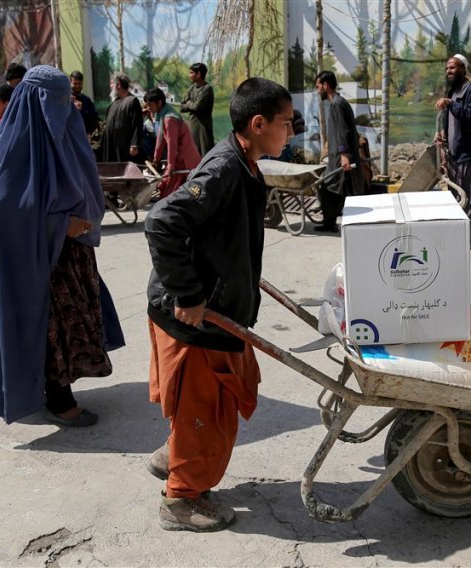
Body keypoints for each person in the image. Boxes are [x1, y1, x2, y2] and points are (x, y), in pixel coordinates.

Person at [143, 77, 294, 532]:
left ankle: (175, 454)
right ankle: (180, 500)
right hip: (194, 317)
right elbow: (162, 222)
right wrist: (188, 293)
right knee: (206, 409)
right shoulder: (225, 168)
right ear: (258, 122)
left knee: (210, 404)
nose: (292, 132)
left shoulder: (248, 164)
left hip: (220, 309)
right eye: (286, 124)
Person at [0, 65, 125, 426]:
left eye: (67, 98)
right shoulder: (15, 143)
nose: (62, 107)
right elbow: (6, 203)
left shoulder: (65, 132)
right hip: (39, 260)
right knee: (50, 326)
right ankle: (60, 400)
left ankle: (53, 389)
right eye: (54, 99)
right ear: (34, 102)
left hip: (72, 254)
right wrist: (61, 224)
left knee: (70, 323)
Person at [435, 54, 471, 244]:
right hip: (453, 154)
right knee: (456, 195)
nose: (448, 71)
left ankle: (470, 233)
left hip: (468, 153)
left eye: (453, 68)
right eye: (447, 68)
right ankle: (459, 233)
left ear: (463, 70)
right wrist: (442, 134)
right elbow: (450, 122)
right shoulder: (452, 91)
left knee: (469, 196)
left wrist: (451, 104)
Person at [314, 70, 365, 233]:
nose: (317, 91)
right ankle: (330, 222)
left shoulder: (337, 104)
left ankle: (333, 223)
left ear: (325, 85)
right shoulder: (339, 102)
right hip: (338, 154)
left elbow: (344, 131)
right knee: (337, 189)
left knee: (327, 187)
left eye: (318, 87)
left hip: (340, 156)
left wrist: (344, 155)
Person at [144, 87, 201, 199]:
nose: (148, 108)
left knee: (172, 194)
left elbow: (171, 144)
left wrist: (170, 166)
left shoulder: (169, 119)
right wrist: (156, 159)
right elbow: (160, 139)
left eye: (150, 105)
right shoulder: (162, 115)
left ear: (159, 103)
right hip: (178, 158)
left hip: (184, 159)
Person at [102, 73, 144, 163]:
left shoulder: (132, 101)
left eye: (112, 83)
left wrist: (134, 145)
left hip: (124, 147)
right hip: (112, 146)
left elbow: (137, 124)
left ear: (118, 85)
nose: (110, 86)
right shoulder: (114, 103)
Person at [179, 62, 215, 156]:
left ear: (198, 74)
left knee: (205, 153)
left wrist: (189, 103)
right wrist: (190, 104)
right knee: (193, 153)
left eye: (191, 73)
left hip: (203, 127)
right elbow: (182, 107)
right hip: (192, 126)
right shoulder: (191, 88)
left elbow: (197, 106)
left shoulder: (207, 89)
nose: (189, 75)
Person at [70, 70, 100, 135]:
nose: (77, 86)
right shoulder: (65, 99)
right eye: (75, 83)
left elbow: (94, 118)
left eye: (79, 83)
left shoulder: (86, 100)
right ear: (70, 83)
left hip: (85, 136)